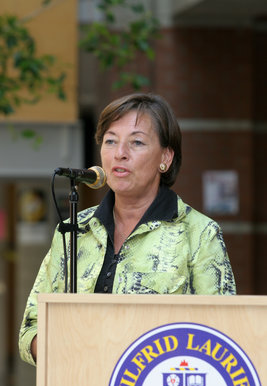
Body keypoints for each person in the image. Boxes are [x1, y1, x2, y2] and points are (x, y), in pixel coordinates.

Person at [19, 93, 236, 366]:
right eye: (110, 141)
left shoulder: (199, 234)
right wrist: (63, 346)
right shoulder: (74, 230)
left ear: (165, 158)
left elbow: (223, 335)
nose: (120, 153)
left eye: (137, 142)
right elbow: (30, 330)